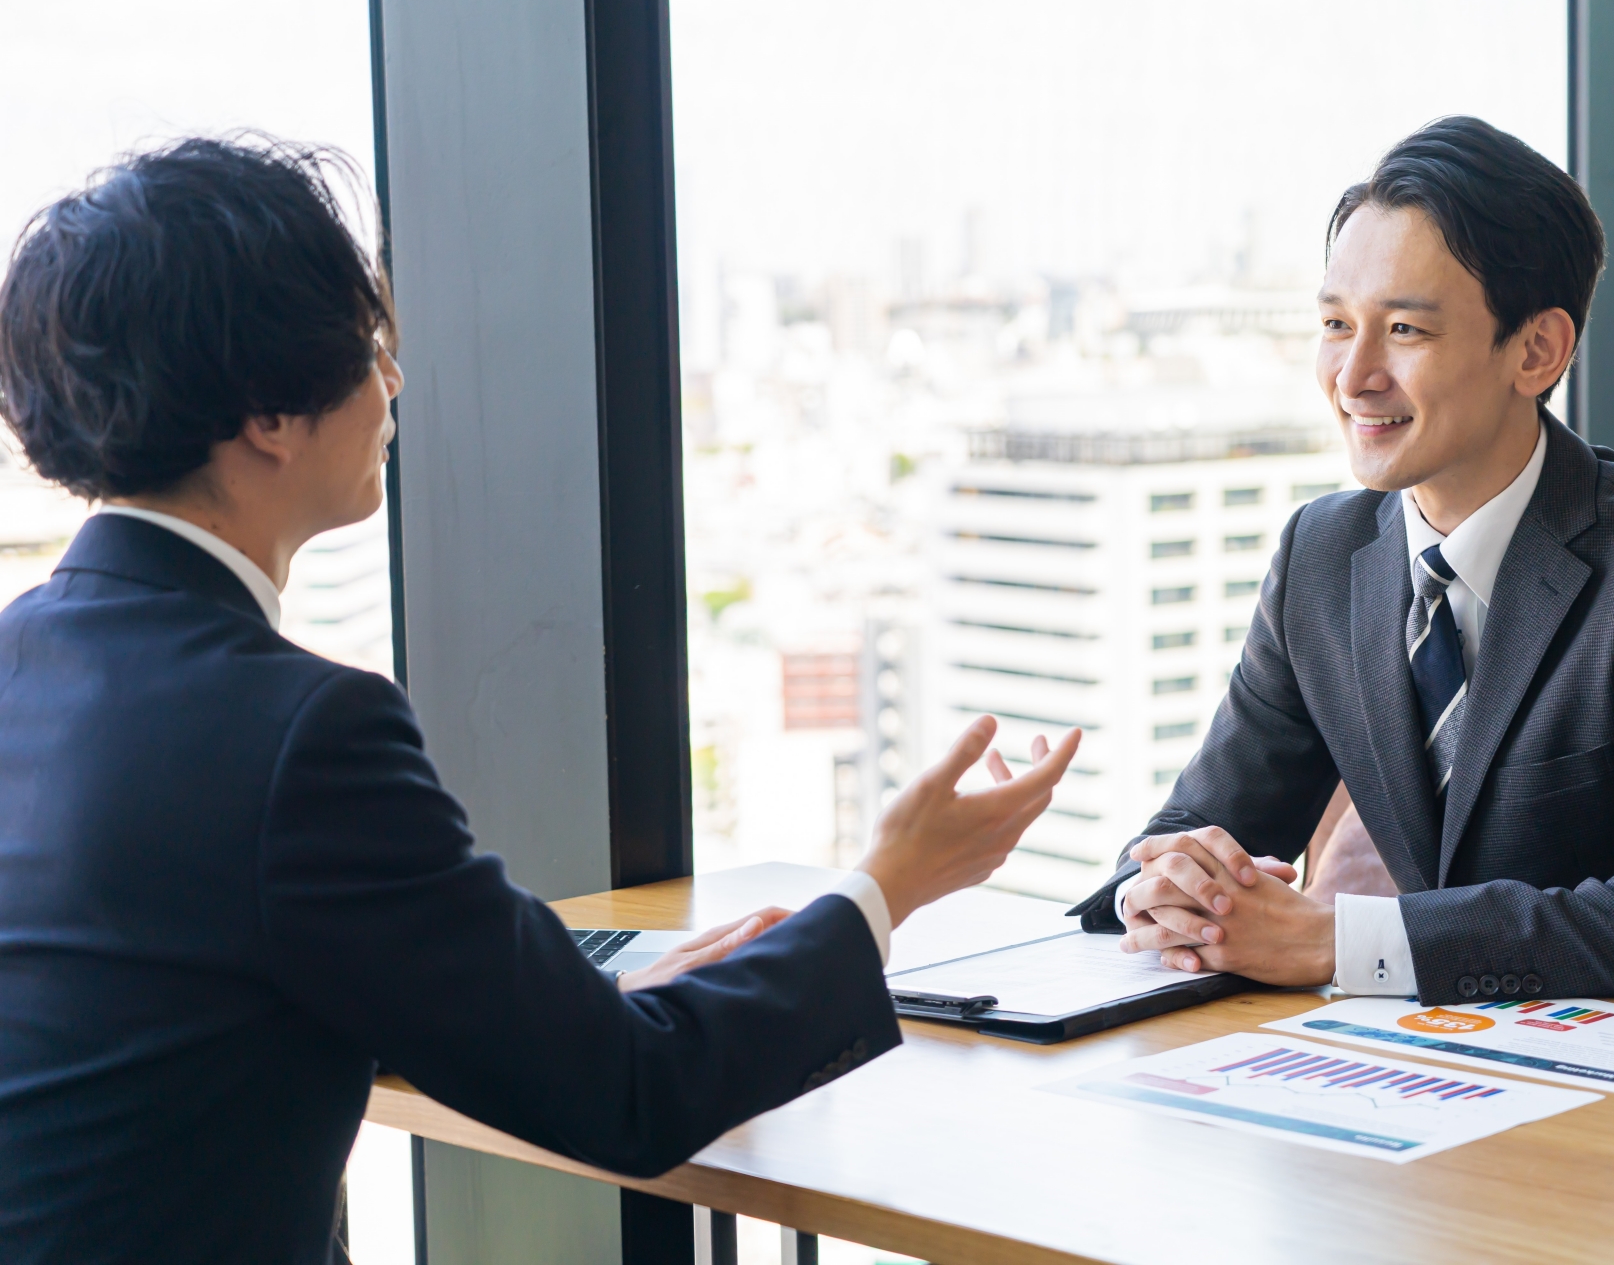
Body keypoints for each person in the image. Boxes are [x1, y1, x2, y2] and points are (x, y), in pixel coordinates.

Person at [0, 137, 1079, 1264]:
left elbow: (151, 1025)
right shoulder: (300, 735)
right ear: (269, 413)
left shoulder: (24, 663)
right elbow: (630, 1095)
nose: (396, 381)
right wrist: (893, 879)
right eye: (374, 347)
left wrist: (574, 1007)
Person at [1070, 116, 1614, 1012]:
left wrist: (1337, 942)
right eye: (1336, 324)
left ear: (1538, 351)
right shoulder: (1322, 556)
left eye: (1404, 329)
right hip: (1438, 1064)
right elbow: (1202, 823)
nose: (1353, 376)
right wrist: (1167, 886)